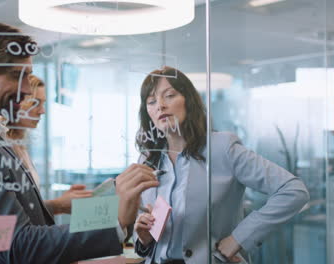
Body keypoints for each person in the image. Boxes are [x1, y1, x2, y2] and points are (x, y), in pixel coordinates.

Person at [0, 22, 159, 264]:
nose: (27, 89)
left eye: (27, 75)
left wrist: (85, 203)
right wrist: (115, 223)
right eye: (17, 76)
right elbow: (17, 245)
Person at [133, 66, 310, 264]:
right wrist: (143, 238)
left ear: (188, 101)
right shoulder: (148, 160)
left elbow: (293, 190)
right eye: (151, 101)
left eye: (169, 95)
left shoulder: (222, 148)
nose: (160, 106)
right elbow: (145, 227)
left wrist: (239, 238)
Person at [1, 74, 92, 215]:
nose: (42, 111)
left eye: (43, 103)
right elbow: (11, 215)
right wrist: (58, 205)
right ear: (16, 102)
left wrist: (62, 202)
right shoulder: (2, 146)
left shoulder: (19, 146)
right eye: (35, 103)